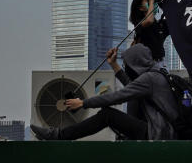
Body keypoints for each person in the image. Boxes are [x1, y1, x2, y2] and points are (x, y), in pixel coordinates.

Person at [30, 45, 177, 141]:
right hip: (164, 131)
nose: (127, 69)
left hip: (158, 134)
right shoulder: (157, 74)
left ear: (136, 64)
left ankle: (58, 136)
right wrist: (114, 65)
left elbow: (118, 96)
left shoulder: (149, 78)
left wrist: (83, 103)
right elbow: (132, 87)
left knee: (108, 115)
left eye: (128, 65)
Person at [130, 0, 168, 66]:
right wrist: (151, 0)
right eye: (147, 1)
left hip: (160, 62)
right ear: (140, 8)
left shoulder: (158, 24)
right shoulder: (138, 23)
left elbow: (173, 19)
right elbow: (149, 21)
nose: (152, 3)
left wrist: (164, 2)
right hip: (145, 64)